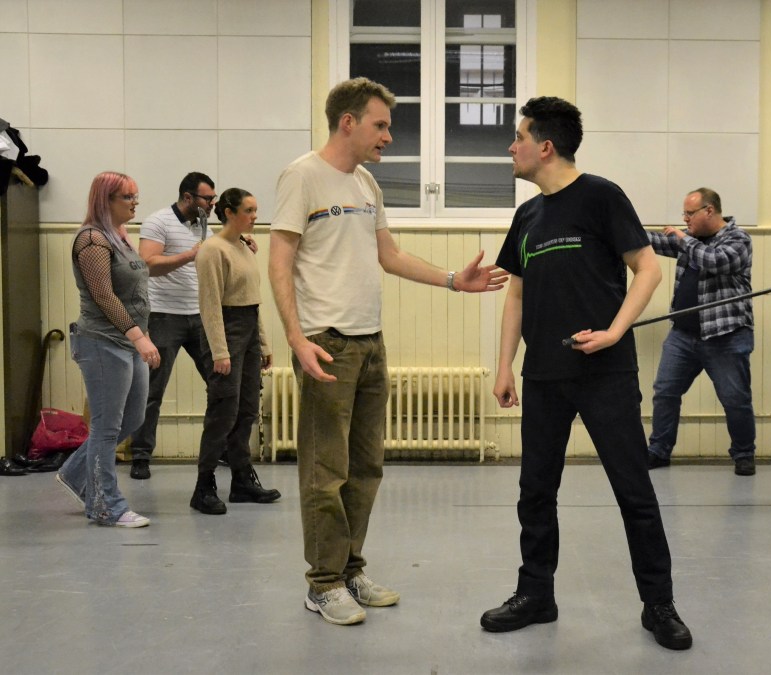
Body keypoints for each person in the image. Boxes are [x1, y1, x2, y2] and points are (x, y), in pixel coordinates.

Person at [269, 77, 506, 627]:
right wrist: (297, 339)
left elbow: (390, 255)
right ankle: (323, 584)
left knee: (365, 468)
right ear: (347, 122)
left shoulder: (366, 183)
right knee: (325, 471)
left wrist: (454, 281)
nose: (388, 137)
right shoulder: (302, 176)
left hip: (370, 342)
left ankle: (350, 570)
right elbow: (280, 262)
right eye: (380, 125)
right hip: (326, 342)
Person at [480, 96, 692, 651]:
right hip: (543, 374)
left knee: (634, 490)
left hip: (605, 372)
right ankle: (536, 594)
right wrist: (504, 366)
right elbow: (516, 294)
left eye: (519, 137)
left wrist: (616, 331)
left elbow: (647, 268)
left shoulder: (601, 196)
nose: (512, 147)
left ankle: (659, 603)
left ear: (545, 146)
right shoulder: (527, 216)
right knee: (535, 490)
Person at [54, 171, 159, 527]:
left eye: (135, 196)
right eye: (127, 197)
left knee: (133, 418)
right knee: (107, 427)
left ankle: (75, 473)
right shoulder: (92, 240)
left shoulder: (121, 236)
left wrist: (142, 334)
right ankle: (105, 506)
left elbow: (134, 291)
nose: (134, 203)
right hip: (102, 343)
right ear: (106, 200)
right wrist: (139, 337)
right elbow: (103, 294)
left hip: (128, 341)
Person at [645, 188, 757, 476]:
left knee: (735, 400)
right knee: (665, 392)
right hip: (683, 335)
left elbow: (716, 261)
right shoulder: (690, 239)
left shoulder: (738, 239)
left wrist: (683, 239)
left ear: (709, 210)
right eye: (683, 214)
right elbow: (654, 242)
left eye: (689, 214)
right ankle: (658, 450)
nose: (685, 219)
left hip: (726, 336)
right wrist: (622, 229)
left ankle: (744, 453)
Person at [191, 188, 280, 515]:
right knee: (223, 411)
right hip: (225, 333)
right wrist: (219, 351)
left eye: (256, 210)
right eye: (248, 210)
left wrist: (263, 343)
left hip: (248, 333)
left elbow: (253, 301)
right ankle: (204, 486)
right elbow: (210, 305)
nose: (255, 216)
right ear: (229, 212)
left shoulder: (244, 247)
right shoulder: (212, 250)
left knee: (247, 409)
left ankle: (242, 480)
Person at [128, 172, 217, 480]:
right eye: (207, 198)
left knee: (220, 384)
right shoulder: (158, 222)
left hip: (200, 316)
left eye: (214, 198)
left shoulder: (205, 227)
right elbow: (148, 265)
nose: (212, 204)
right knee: (152, 390)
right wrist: (190, 255)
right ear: (188, 197)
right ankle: (140, 455)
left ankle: (221, 449)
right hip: (164, 316)